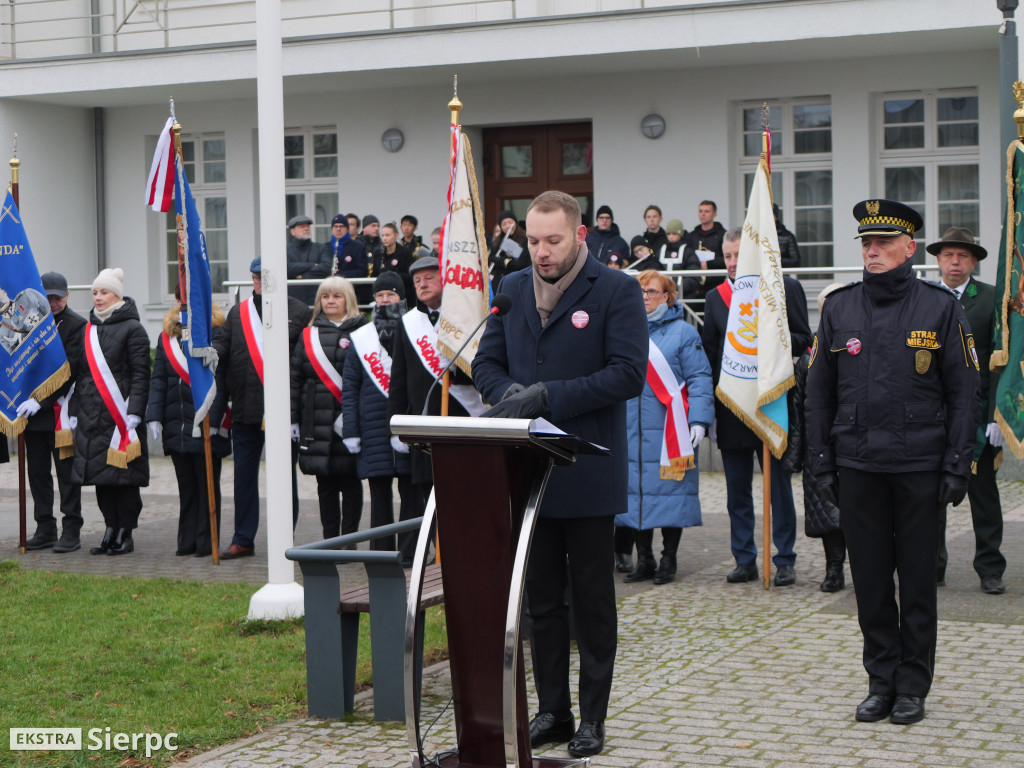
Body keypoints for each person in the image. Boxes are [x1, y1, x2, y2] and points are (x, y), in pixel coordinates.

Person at [473, 190, 648, 758]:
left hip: (587, 470)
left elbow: (626, 375)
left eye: (553, 241)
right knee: (541, 602)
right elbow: (485, 364)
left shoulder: (617, 291)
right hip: (527, 471)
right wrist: (512, 398)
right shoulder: (512, 289)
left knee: (592, 602)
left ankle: (593, 718)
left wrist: (547, 397)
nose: (541, 252)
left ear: (580, 237)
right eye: (533, 240)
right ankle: (553, 710)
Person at [805, 199, 979, 725]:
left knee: (918, 580)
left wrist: (957, 463)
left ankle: (913, 685)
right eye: (865, 243)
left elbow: (965, 391)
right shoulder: (839, 308)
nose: (872, 251)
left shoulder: (940, 308)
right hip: (859, 466)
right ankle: (881, 680)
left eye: (882, 243)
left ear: (909, 249)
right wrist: (821, 463)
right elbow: (818, 393)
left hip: (919, 467)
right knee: (873, 581)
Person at [701, 227, 811, 587]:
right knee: (737, 492)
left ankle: (784, 558)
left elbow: (803, 340)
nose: (732, 263)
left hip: (771, 402)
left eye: (738, 256)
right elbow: (711, 355)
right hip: (732, 406)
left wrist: (771, 339)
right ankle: (744, 558)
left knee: (778, 488)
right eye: (727, 256)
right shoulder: (715, 297)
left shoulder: (785, 288)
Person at [616, 270, 713, 585]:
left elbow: (699, 378)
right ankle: (644, 559)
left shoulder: (684, 333)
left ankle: (668, 559)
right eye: (641, 291)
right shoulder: (622, 330)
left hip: (671, 432)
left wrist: (699, 420)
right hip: (629, 429)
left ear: (668, 297)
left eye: (652, 291)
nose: (645, 296)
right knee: (636, 494)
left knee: (672, 493)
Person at [214, 257, 312, 560]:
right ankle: (243, 538)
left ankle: (285, 539)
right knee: (243, 478)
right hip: (245, 409)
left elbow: (303, 364)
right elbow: (224, 350)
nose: (259, 283)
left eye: (264, 278)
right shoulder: (238, 312)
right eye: (255, 278)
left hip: (283, 412)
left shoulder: (298, 312)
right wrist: (208, 352)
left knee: (285, 478)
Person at [387, 255, 482, 563]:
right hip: (424, 421)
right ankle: (431, 553)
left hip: (461, 417)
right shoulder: (408, 323)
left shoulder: (468, 319)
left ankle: (462, 551)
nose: (422, 284)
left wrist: (457, 370)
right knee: (428, 491)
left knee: (463, 489)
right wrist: (396, 423)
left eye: (429, 278)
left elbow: (487, 369)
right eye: (417, 281)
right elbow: (398, 379)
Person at [928, 226, 1006, 594]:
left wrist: (996, 416)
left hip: (976, 414)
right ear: (938, 260)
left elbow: (1001, 363)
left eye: (962, 255)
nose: (954, 262)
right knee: (929, 496)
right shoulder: (924, 297)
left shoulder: (991, 299)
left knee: (983, 496)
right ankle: (932, 565)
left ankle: (990, 567)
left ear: (974, 261)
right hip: (930, 415)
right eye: (948, 255)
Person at [68, 268, 151, 556]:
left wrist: (136, 412)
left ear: (117, 294)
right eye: (94, 293)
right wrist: (75, 410)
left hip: (121, 417)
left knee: (124, 478)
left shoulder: (134, 329)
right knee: (101, 478)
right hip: (92, 415)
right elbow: (82, 374)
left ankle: (125, 532)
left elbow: (141, 374)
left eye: (103, 292)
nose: (98, 298)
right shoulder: (88, 331)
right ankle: (109, 528)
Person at [146, 287, 229, 556]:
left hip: (204, 421)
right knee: (186, 486)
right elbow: (159, 378)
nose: (186, 304)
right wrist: (155, 415)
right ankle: (187, 540)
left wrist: (214, 418)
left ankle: (207, 541)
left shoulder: (217, 331)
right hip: (176, 420)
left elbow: (222, 379)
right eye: (182, 299)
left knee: (207, 486)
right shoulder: (168, 336)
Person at [782, 283, 847, 592]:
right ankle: (834, 568)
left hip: (857, 445)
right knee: (826, 511)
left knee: (862, 512)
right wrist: (793, 454)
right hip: (819, 448)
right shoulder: (808, 357)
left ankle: (868, 568)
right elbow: (797, 409)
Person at [343, 273, 414, 553]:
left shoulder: (415, 330)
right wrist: (351, 430)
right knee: (380, 495)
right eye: (380, 295)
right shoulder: (361, 337)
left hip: (407, 423)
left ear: (401, 297)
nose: (385, 300)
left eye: (391, 295)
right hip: (372, 426)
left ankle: (411, 551)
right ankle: (382, 553)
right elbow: (350, 387)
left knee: (411, 494)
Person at [290, 276, 366, 540]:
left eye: (337, 296)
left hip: (352, 420)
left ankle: (350, 540)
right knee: (325, 485)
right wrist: (293, 419)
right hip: (316, 420)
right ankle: (331, 540)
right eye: (325, 296)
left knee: (352, 484)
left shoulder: (364, 331)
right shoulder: (308, 335)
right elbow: (295, 379)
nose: (330, 301)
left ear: (349, 300)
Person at [20, 271, 87, 552]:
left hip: (61, 413)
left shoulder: (76, 325)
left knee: (67, 476)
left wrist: (42, 401)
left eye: (58, 297)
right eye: (49, 298)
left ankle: (71, 529)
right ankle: (44, 527)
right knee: (37, 474)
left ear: (67, 296)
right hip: (32, 416)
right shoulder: (27, 324)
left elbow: (69, 370)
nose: (54, 302)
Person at [286, 214, 332, 305]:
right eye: (302, 226)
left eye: (308, 226)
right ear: (292, 231)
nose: (306, 228)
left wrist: (302, 276)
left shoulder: (320, 248)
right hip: (293, 302)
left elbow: (326, 268)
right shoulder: (285, 250)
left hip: (316, 300)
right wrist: (311, 265)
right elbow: (286, 269)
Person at [686, 200, 728, 295]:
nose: (703, 214)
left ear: (714, 214)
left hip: (716, 284)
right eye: (700, 211)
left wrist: (709, 264)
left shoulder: (723, 235)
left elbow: (726, 258)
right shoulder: (692, 236)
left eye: (707, 211)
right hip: (695, 284)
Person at [489, 209, 530, 288]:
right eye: (504, 224)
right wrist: (504, 261)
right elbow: (491, 258)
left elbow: (520, 264)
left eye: (510, 222)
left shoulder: (525, 239)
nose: (508, 226)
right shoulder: (499, 241)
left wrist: (506, 262)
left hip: (519, 280)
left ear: (515, 223)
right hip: (501, 280)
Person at [773, 203, 801, 269]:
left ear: (775, 216)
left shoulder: (787, 236)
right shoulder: (754, 236)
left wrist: (774, 261)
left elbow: (795, 261)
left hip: (781, 276)